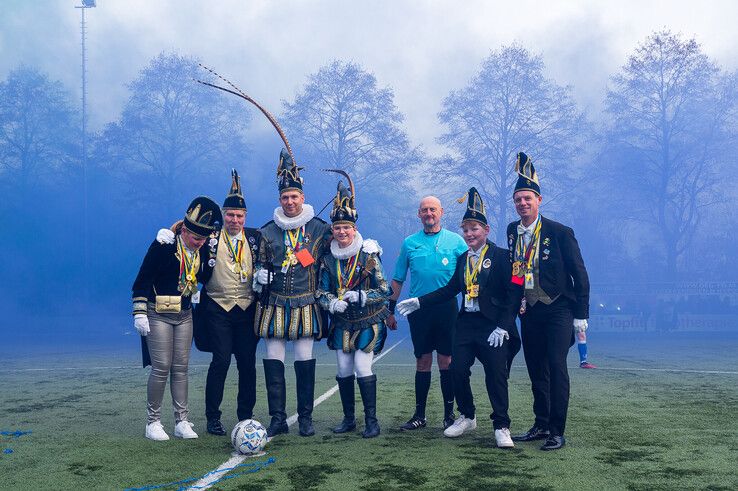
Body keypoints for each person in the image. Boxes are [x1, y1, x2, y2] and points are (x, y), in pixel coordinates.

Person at [397, 188, 520, 448]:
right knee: (456, 369)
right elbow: (450, 289)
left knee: (495, 374)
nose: (469, 234)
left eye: (474, 229)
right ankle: (467, 415)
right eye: (466, 229)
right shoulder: (464, 258)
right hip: (466, 323)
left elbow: (513, 292)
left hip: (493, 326)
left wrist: (503, 326)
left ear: (485, 230)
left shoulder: (501, 257)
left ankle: (501, 425)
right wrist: (419, 301)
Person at [156, 170, 261, 435]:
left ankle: (245, 416)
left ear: (245, 217)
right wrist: (168, 233)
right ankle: (213, 418)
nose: (234, 220)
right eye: (230, 215)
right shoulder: (211, 238)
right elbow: (187, 234)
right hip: (217, 308)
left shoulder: (256, 238)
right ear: (223, 216)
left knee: (247, 363)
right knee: (221, 360)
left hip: (247, 309)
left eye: (239, 216)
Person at [507, 152, 590, 451]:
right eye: (518, 199)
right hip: (530, 312)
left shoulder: (559, 232)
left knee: (556, 366)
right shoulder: (512, 232)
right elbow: (517, 271)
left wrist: (581, 315)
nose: (523, 204)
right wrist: (517, 300)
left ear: (539, 200)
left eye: (528, 198)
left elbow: (580, 275)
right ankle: (541, 423)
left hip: (559, 309)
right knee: (535, 368)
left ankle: (557, 430)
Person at [253, 149, 332, 437]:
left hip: (306, 303)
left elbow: (337, 251)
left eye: (294, 196)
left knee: (303, 360)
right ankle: (277, 418)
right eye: (285, 197)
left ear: (302, 197)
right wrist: (258, 277)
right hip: (273, 304)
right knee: (274, 360)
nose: (289, 201)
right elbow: (259, 263)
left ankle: (306, 418)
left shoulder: (320, 229)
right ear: (280, 200)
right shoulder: (267, 231)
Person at [132, 196, 222, 441]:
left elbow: (203, 277)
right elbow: (142, 280)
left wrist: (211, 256)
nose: (199, 243)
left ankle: (182, 421)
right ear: (184, 229)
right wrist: (139, 312)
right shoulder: (164, 245)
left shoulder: (203, 249)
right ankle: (153, 422)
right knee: (161, 367)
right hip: (158, 313)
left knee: (181, 368)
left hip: (184, 314)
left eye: (203, 239)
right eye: (195, 238)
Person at [316, 172, 392, 438]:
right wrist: (330, 303)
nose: (342, 232)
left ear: (354, 229)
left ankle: (372, 421)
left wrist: (362, 296)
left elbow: (384, 291)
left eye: (346, 227)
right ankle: (349, 419)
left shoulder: (369, 254)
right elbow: (320, 291)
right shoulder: (327, 260)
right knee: (343, 370)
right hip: (342, 322)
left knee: (362, 367)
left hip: (368, 320)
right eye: (337, 228)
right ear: (333, 230)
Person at [388, 196, 468, 431]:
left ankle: (449, 415)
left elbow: (469, 277)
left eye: (432, 209)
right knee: (422, 361)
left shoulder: (456, 242)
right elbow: (398, 278)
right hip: (418, 310)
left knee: (447, 361)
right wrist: (390, 311)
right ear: (419, 214)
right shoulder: (409, 243)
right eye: (424, 210)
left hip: (447, 309)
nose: (428, 213)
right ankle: (419, 415)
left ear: (441, 212)